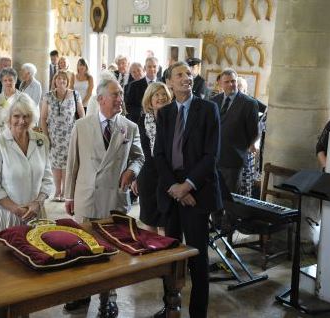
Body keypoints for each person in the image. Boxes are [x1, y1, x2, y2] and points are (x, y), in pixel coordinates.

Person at [64, 78, 144, 317]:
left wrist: (132, 171)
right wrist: (69, 196)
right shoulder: (81, 125)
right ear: (100, 99)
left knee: (113, 252)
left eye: (121, 94)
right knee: (83, 249)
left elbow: (139, 158)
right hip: (87, 196)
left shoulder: (129, 127)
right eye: (115, 94)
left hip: (115, 198)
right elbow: (72, 164)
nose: (121, 98)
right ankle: (80, 294)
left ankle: (109, 299)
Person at [153, 61, 222, 318]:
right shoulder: (166, 113)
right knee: (170, 256)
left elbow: (211, 155)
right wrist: (174, 187)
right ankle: (170, 307)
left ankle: (197, 313)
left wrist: (187, 186)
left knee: (197, 258)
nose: (186, 78)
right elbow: (159, 154)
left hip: (197, 191)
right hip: (171, 193)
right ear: (169, 82)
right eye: (179, 75)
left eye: (188, 74)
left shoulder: (208, 109)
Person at [0, 93, 53, 242]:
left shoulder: (41, 140)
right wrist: (16, 209)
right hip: (6, 217)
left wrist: (38, 202)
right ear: (8, 118)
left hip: (36, 215)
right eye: (16, 116)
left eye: (26, 116)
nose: (22, 121)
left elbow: (47, 178)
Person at [131, 82, 172, 234]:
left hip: (168, 176)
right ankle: (154, 255)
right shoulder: (142, 121)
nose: (161, 98)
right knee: (149, 221)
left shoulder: (174, 119)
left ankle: (169, 256)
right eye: (157, 94)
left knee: (166, 223)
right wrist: (135, 177)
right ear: (149, 100)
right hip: (148, 176)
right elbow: (139, 152)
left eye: (164, 95)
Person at [211, 68, 259, 193]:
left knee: (230, 199)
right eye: (227, 82)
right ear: (221, 84)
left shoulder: (249, 103)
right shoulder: (214, 101)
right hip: (214, 158)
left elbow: (254, 132)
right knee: (213, 196)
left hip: (233, 159)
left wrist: (241, 148)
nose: (231, 84)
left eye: (233, 81)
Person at [41, 70, 85, 201]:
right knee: (55, 164)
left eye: (64, 79)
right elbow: (43, 118)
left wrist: (79, 130)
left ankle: (66, 192)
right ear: (54, 80)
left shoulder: (75, 95)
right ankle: (57, 191)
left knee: (68, 164)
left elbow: (82, 115)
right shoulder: (48, 96)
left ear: (68, 81)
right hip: (53, 136)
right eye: (59, 79)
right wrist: (46, 136)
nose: (62, 81)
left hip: (70, 135)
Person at [125, 56, 159, 124]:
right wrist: (142, 112)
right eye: (149, 66)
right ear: (145, 68)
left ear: (158, 68)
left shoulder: (163, 84)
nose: (152, 69)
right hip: (139, 122)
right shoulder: (134, 85)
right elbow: (128, 106)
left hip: (159, 123)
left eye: (154, 66)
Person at [0, 68, 18, 135]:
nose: (8, 82)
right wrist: (6, 119)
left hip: (19, 134)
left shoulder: (23, 97)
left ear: (15, 81)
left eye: (10, 80)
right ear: (2, 82)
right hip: (2, 135)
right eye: (5, 80)